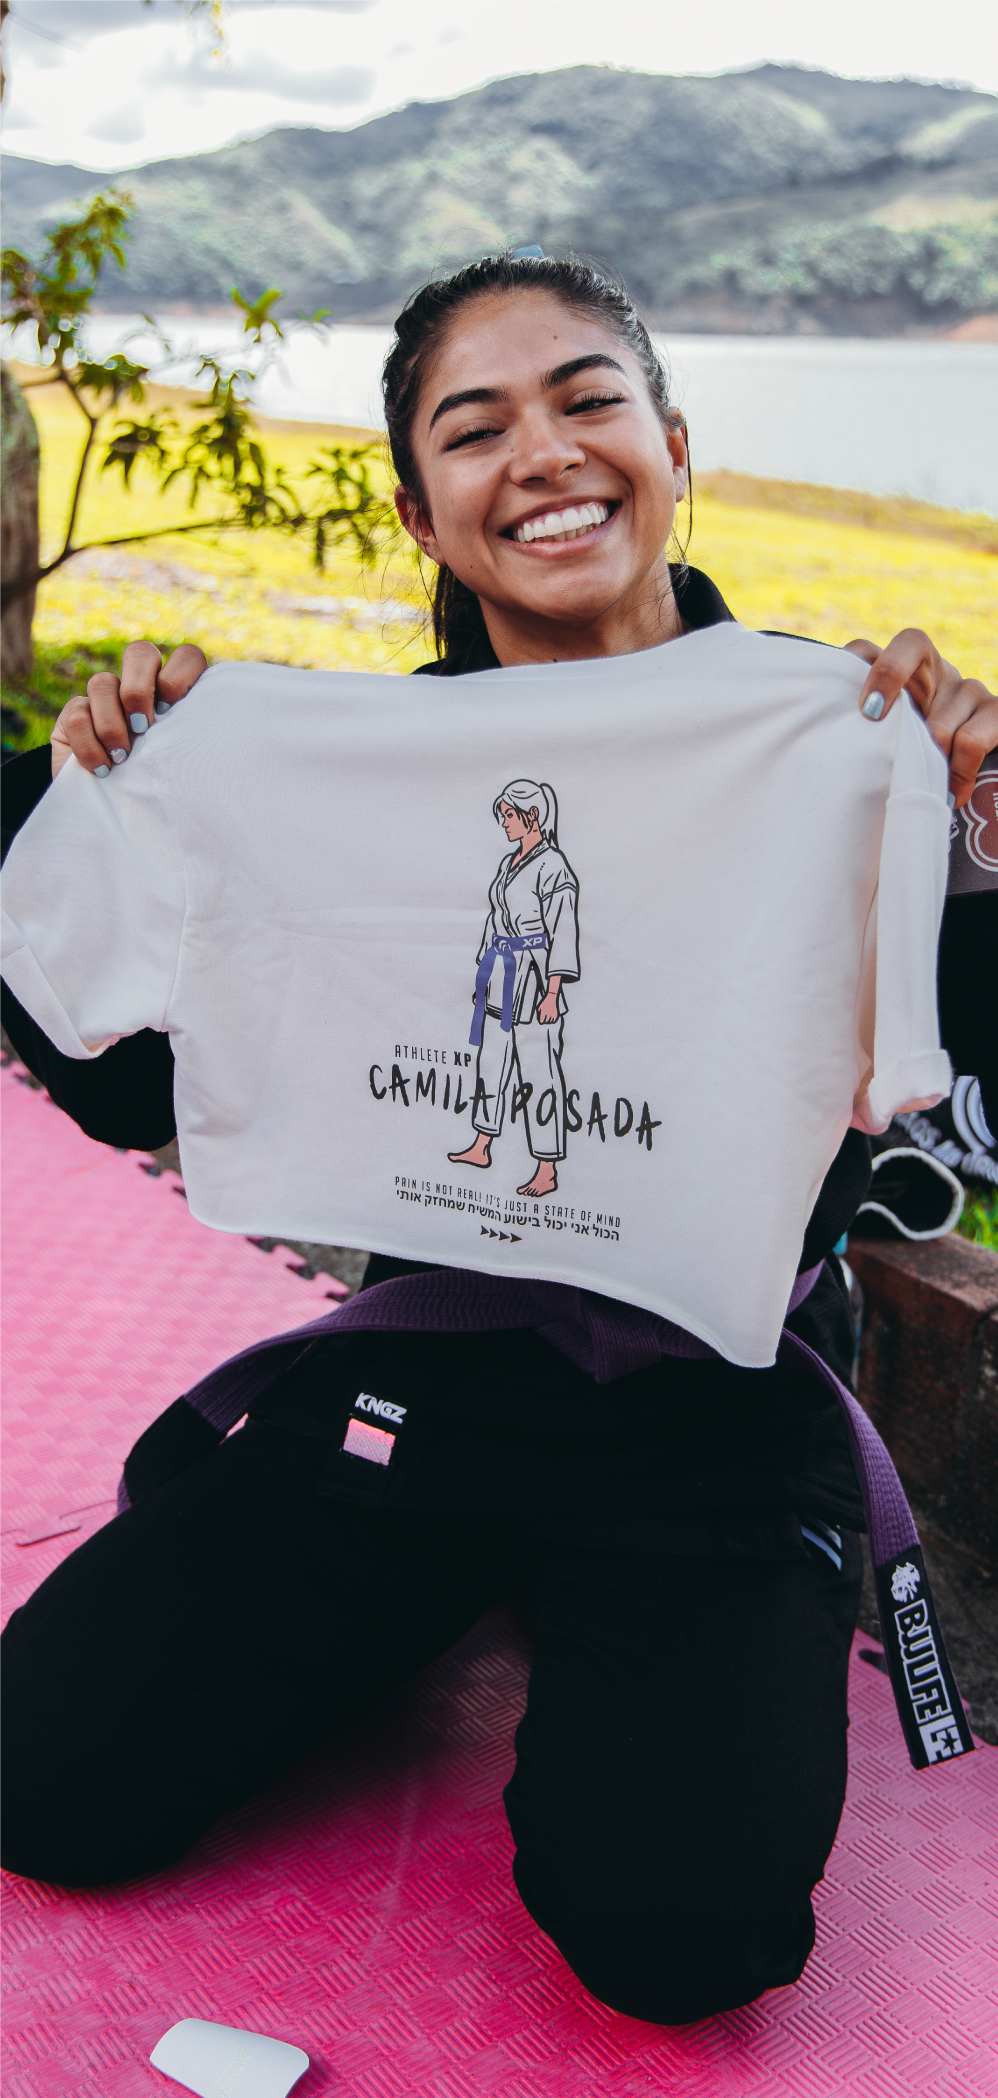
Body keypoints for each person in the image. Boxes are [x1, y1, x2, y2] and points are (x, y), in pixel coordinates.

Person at [1, 252, 997, 2029]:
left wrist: (983, 846)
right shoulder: (342, 767)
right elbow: (135, 1084)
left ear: (671, 446)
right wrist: (134, 788)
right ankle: (430, 1583)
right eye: (475, 428)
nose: (540, 453)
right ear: (419, 508)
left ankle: (579, 1609)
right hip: (430, 1390)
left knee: (680, 1936)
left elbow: (957, 1065)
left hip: (711, 1415)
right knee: (43, 1776)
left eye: (585, 400)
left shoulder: (834, 738)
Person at [449, 777, 579, 1198]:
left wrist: (553, 993)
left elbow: (563, 930)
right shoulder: (509, 864)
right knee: (492, 1062)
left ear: (533, 815)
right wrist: (481, 980)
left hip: (536, 975)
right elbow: (493, 921)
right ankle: (483, 1143)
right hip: (501, 970)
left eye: (510, 815)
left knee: (539, 1071)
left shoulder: (553, 866)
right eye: (503, 816)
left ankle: (547, 1167)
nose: (504, 823)